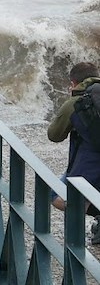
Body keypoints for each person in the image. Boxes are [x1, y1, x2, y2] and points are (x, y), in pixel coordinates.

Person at [48, 61, 100, 243]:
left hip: (88, 171)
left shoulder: (77, 101)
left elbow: (54, 135)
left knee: (53, 194)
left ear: (73, 83)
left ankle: (73, 250)